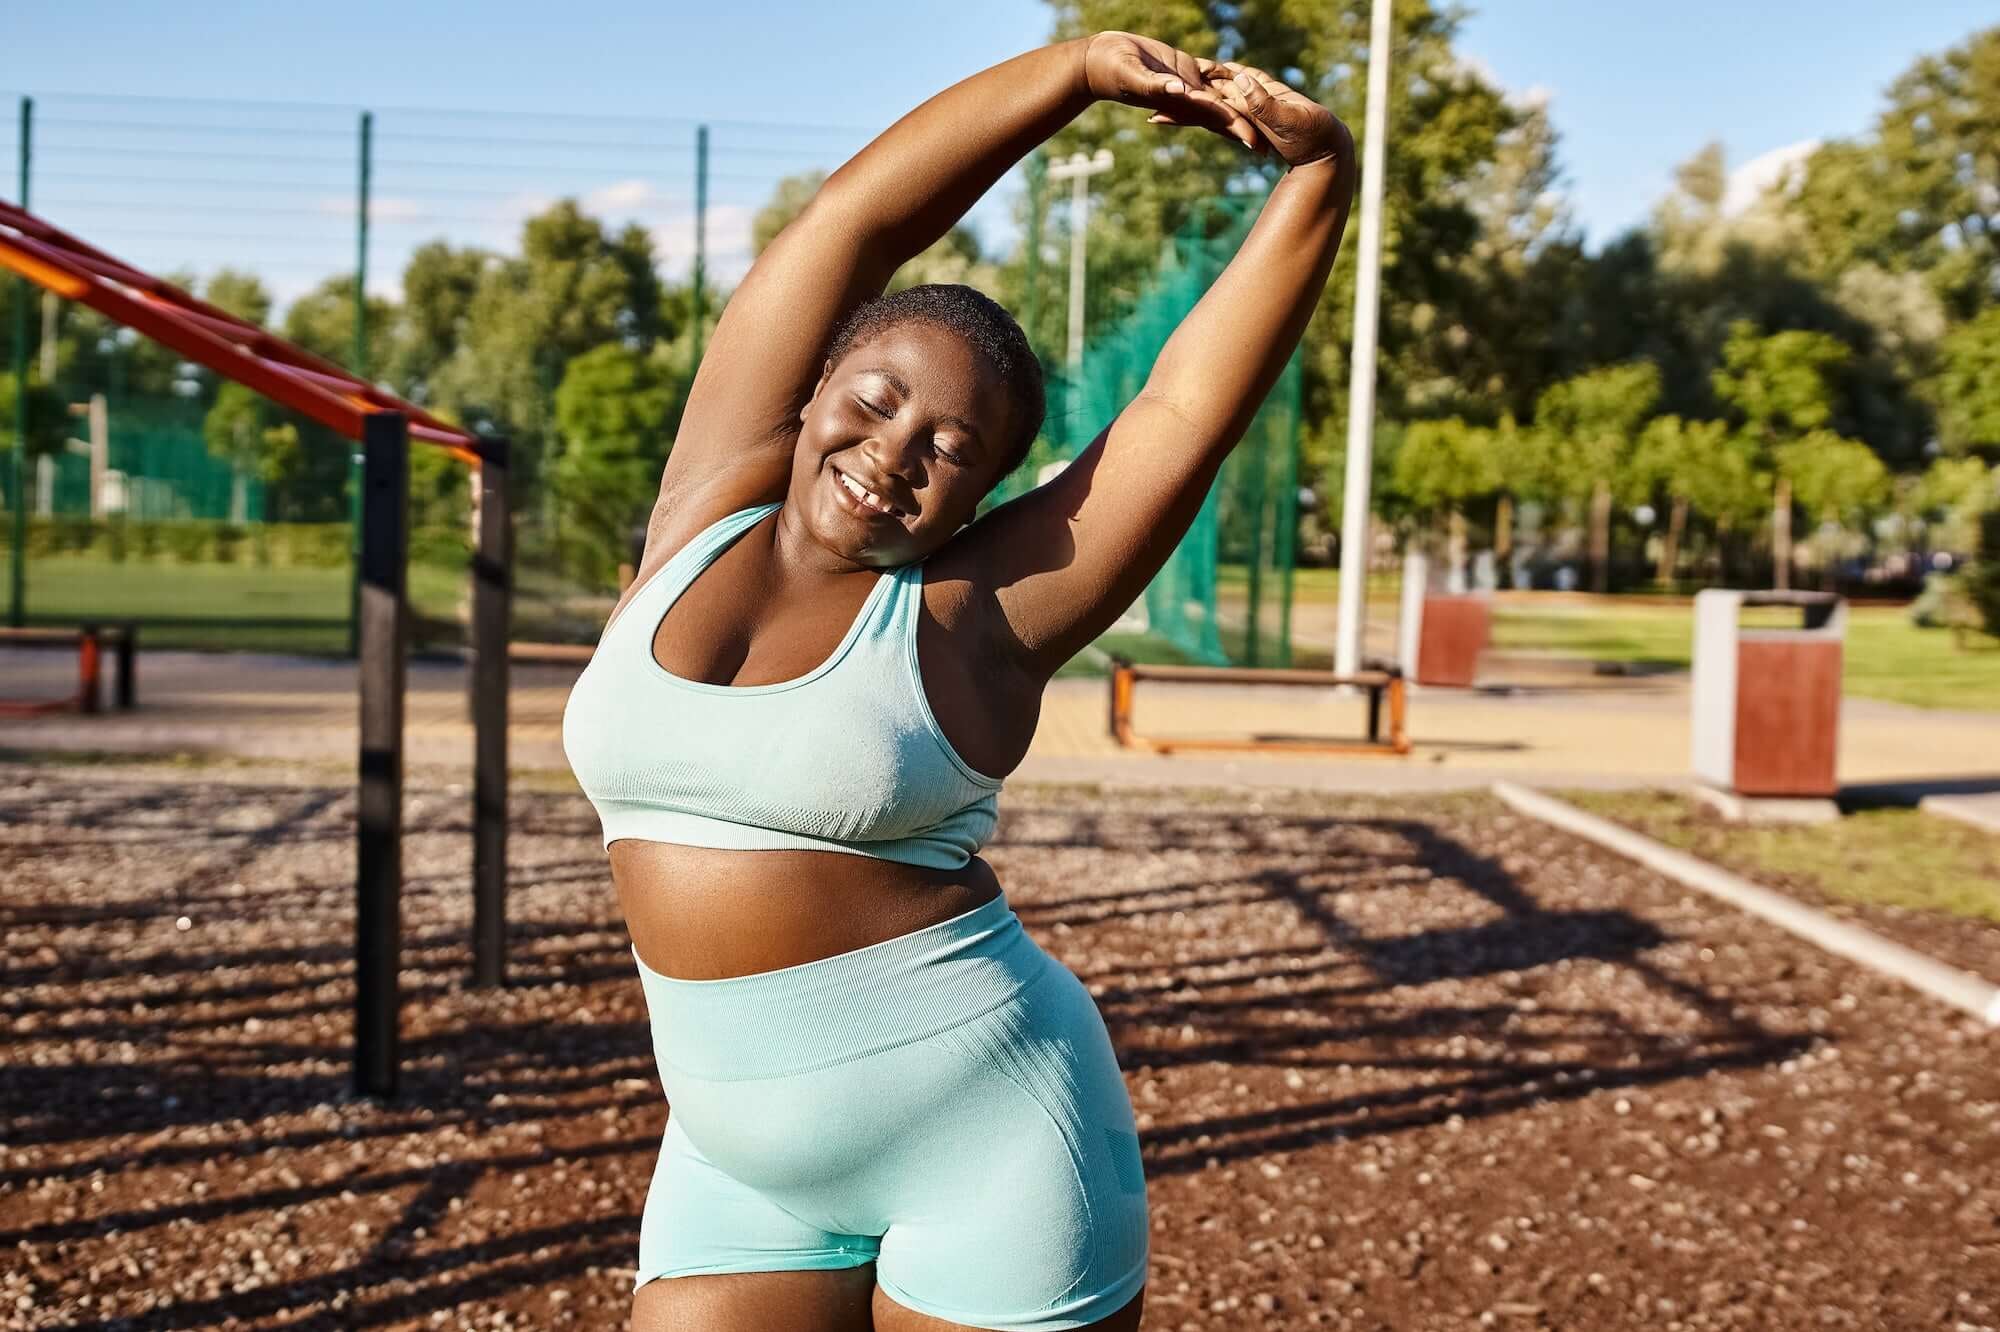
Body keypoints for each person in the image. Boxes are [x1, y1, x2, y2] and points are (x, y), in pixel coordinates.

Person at [562, 30, 1354, 1332]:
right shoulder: (701, 507)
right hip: (735, 1160)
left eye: (948, 449)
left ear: (981, 493)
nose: (891, 454)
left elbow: (1176, 417)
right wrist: (1079, 71)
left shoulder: (974, 617)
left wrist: (1319, 175)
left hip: (985, 1139)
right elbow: (854, 219)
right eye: (873, 403)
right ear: (816, 386)